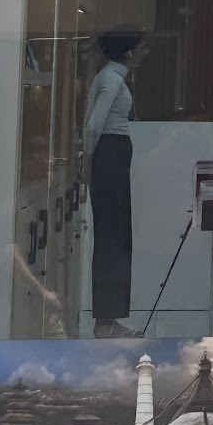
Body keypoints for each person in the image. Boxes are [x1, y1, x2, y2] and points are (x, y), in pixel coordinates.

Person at [82, 29, 147, 337]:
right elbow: (94, 124)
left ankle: (109, 319)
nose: (145, 54)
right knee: (112, 237)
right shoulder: (111, 79)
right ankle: (105, 321)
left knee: (117, 236)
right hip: (109, 154)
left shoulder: (114, 77)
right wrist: (88, 161)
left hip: (112, 153)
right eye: (141, 48)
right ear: (129, 52)